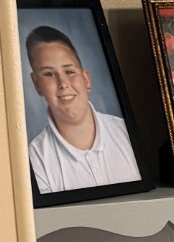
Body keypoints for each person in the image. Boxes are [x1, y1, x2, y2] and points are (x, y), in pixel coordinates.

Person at [26, 25, 140, 193]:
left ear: (86, 80)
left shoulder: (126, 133)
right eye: (49, 74)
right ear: (37, 85)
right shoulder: (35, 159)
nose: (63, 83)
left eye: (69, 71)